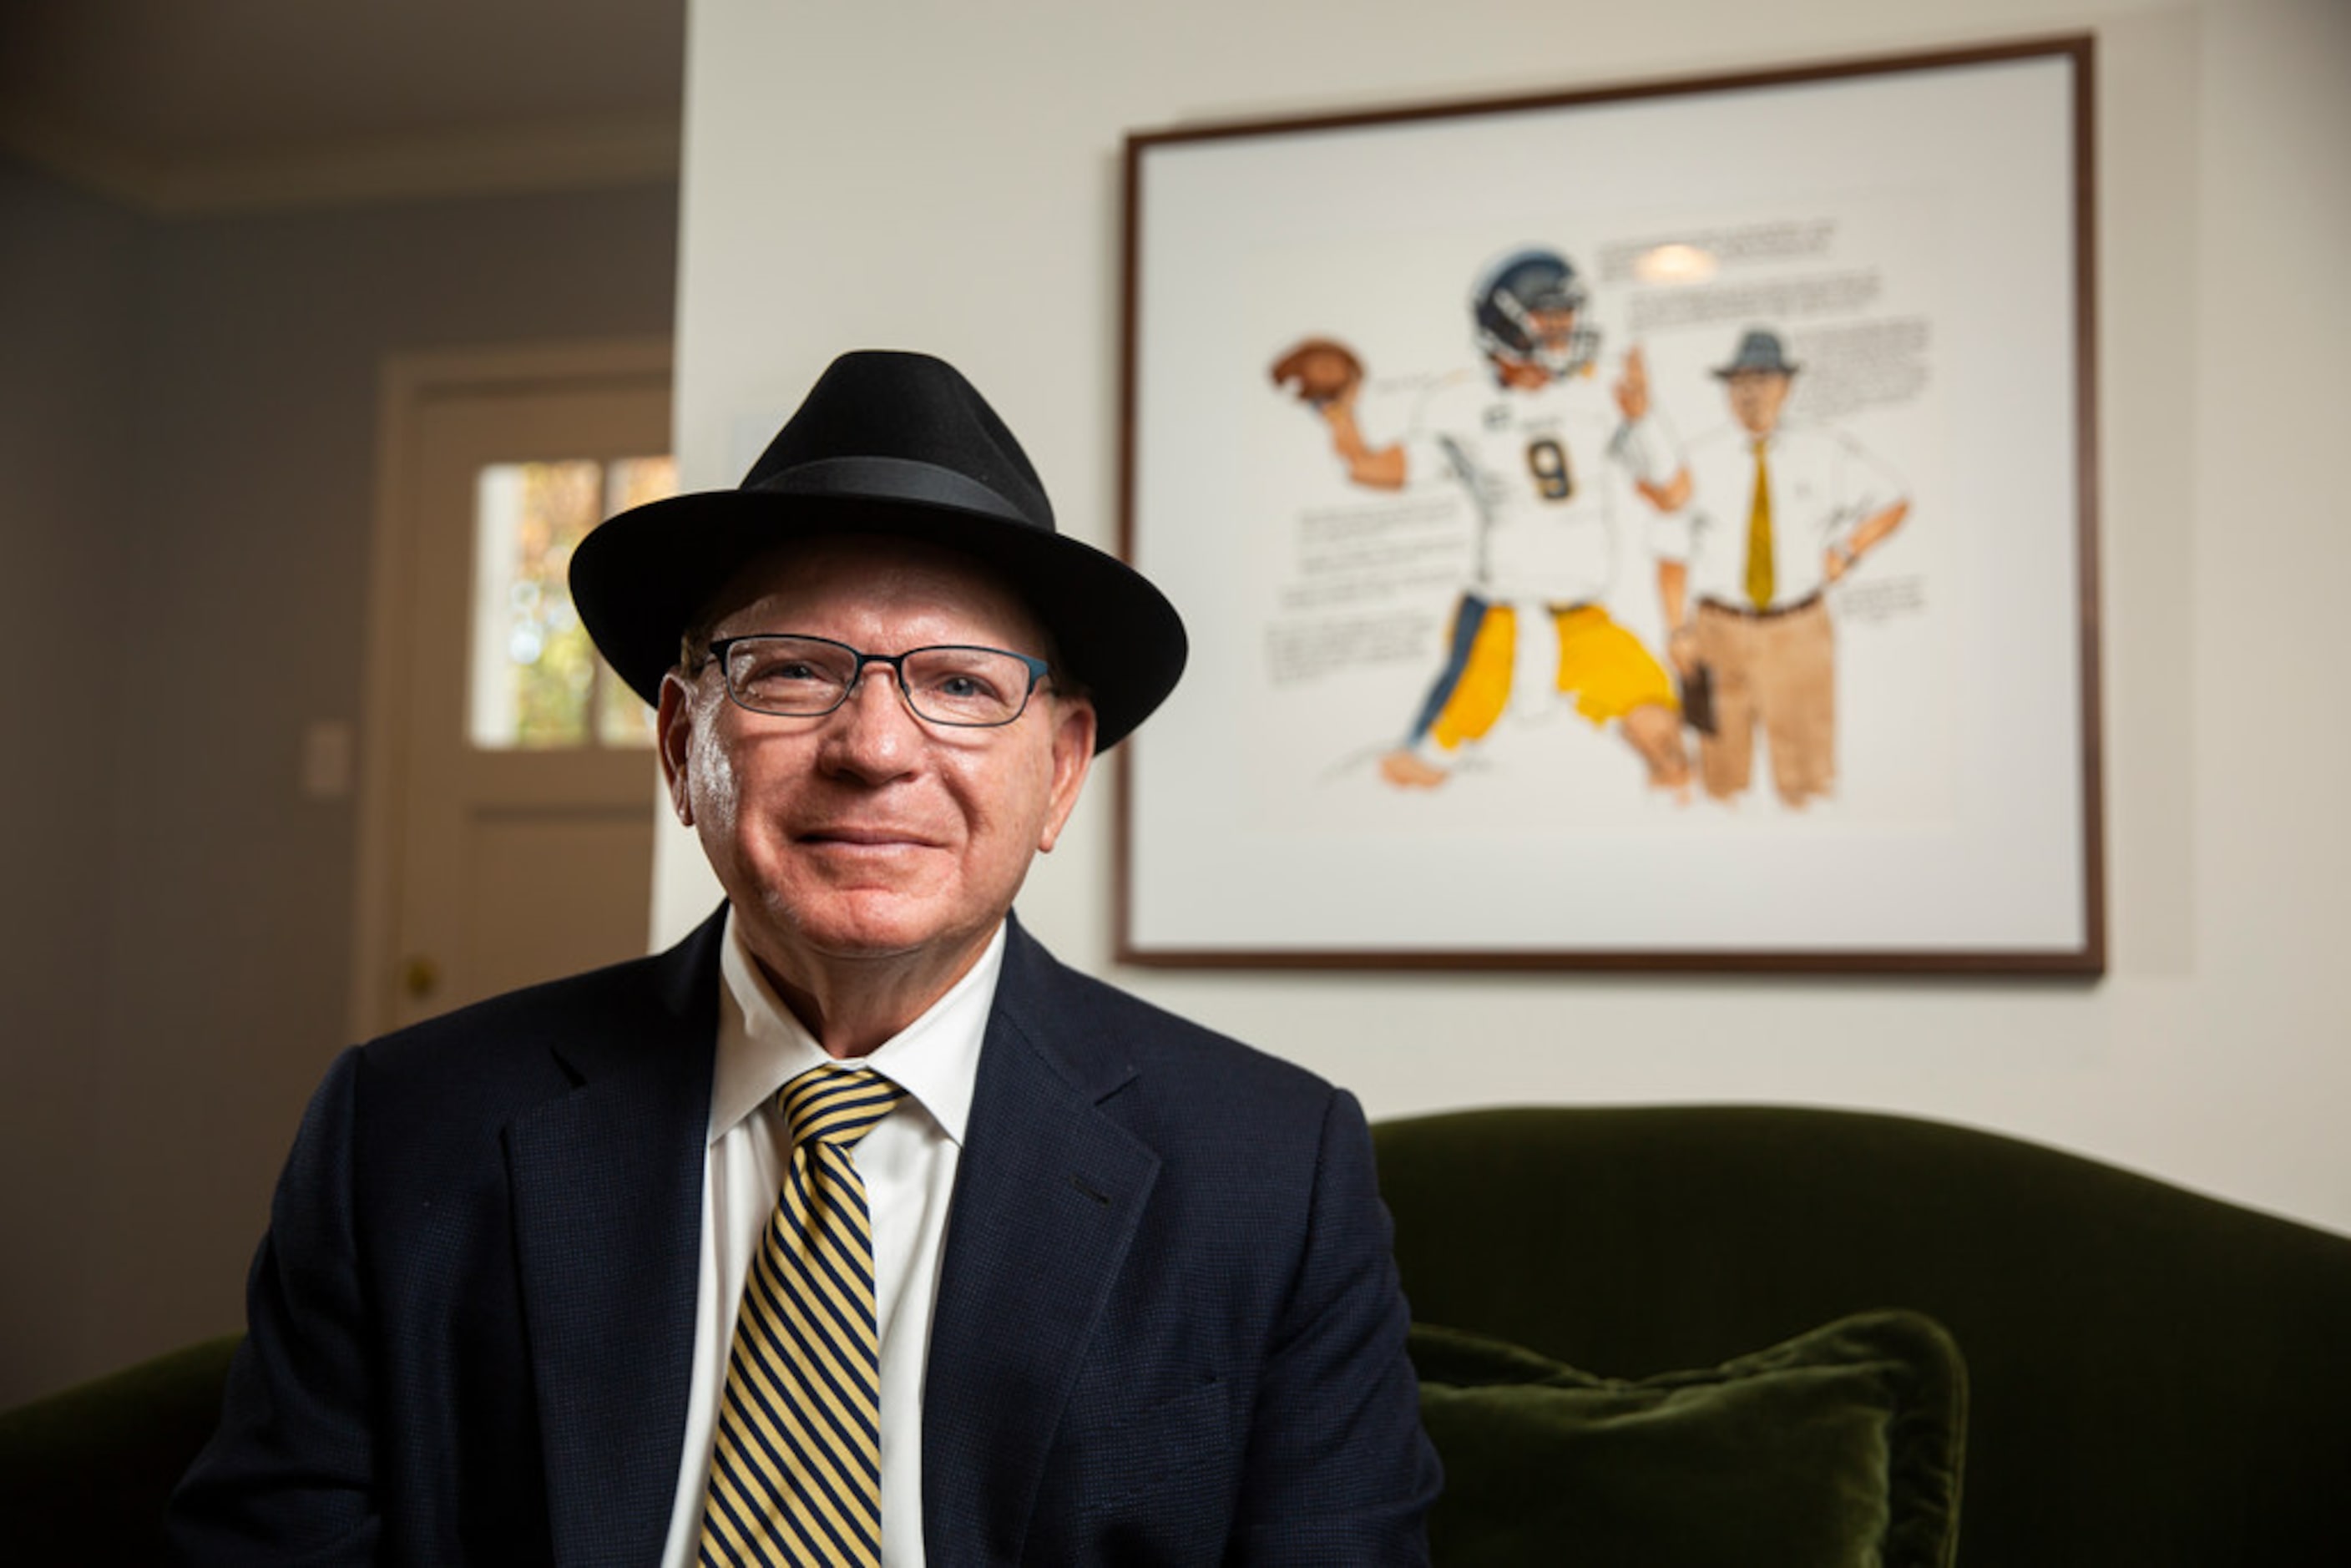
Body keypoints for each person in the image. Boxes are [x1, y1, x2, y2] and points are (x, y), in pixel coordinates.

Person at [168, 351, 1440, 1565]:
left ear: (1058, 773)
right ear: (682, 748)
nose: (875, 746)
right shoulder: (400, 1130)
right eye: (791, 672)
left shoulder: (1273, 1174)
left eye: (958, 682)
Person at [1272, 247, 1691, 795]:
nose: (1564, 326)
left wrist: (1644, 418)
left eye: (1567, 312)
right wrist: (1340, 413)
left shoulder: (1597, 391)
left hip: (1584, 619)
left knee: (1661, 730)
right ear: (1505, 321)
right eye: (1549, 314)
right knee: (1421, 768)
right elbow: (1375, 468)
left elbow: (1673, 492)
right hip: (1501, 623)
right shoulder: (1460, 402)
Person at [1654, 327, 1912, 807]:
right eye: (1740, 383)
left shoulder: (1826, 451)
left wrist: (1848, 550)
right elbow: (1671, 552)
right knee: (1720, 771)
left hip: (1798, 629)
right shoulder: (1698, 460)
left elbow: (1895, 502)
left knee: (1806, 776)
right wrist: (1676, 630)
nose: (1750, 394)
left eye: (1763, 381)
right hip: (1718, 632)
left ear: (1786, 388)